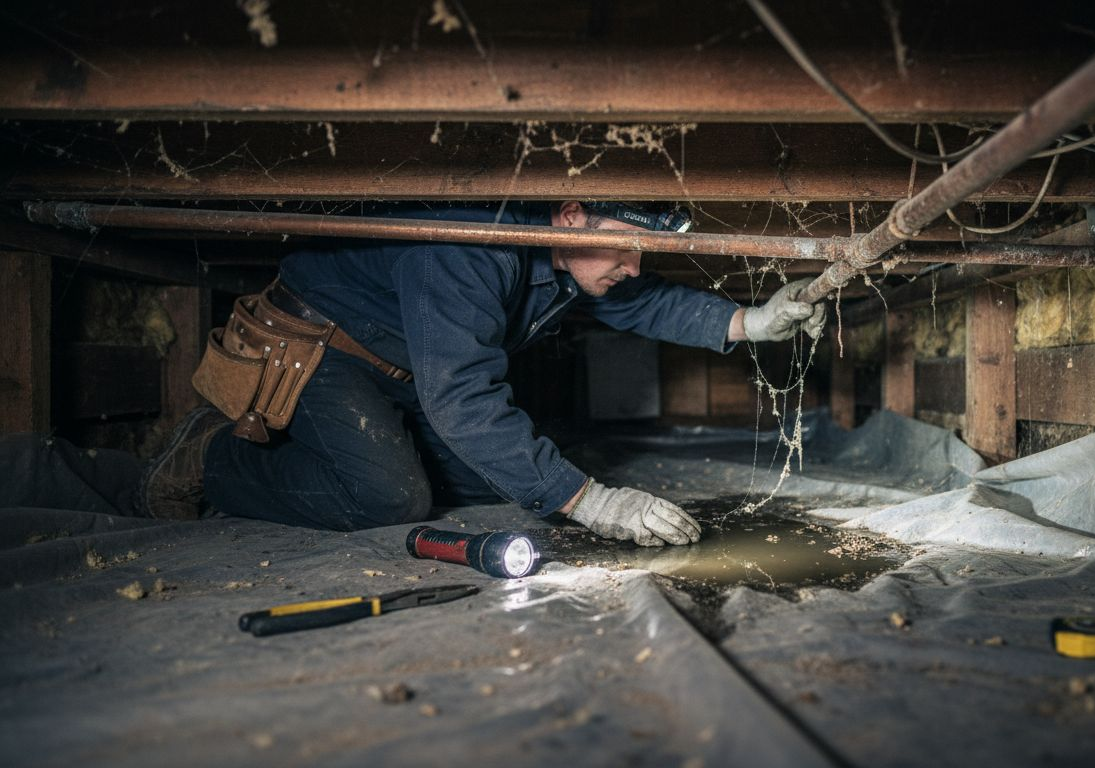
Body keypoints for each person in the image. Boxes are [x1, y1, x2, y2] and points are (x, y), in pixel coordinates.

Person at [138, 201, 825, 546]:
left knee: (496, 479)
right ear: (572, 217)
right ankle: (213, 456)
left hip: (401, 370)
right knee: (391, 500)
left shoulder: (564, 257)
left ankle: (326, 450)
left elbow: (640, 303)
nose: (634, 266)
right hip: (321, 347)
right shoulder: (472, 247)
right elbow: (461, 398)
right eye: (627, 247)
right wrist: (589, 502)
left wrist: (755, 321)